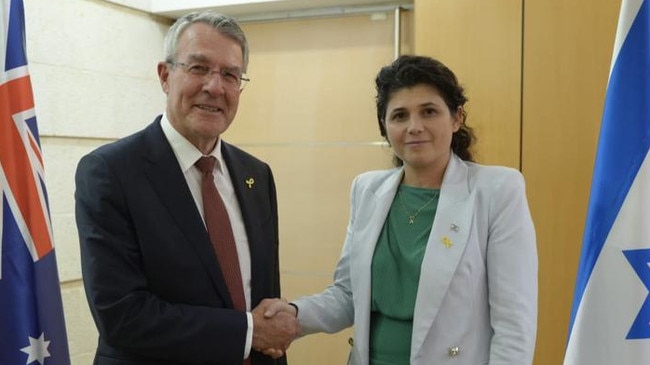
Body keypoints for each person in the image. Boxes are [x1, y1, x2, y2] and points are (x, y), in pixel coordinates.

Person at [265, 55, 538, 364]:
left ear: (456, 118)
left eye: (429, 111)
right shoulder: (367, 189)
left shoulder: (497, 191)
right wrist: (292, 316)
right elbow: (348, 295)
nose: (414, 127)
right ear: (384, 126)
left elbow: (514, 325)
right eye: (399, 116)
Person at [75, 11, 299, 365]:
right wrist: (248, 332)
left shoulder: (256, 175)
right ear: (165, 76)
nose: (215, 87)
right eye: (198, 68)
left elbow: (264, 305)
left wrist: (267, 331)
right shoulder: (110, 172)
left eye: (230, 74)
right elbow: (122, 315)